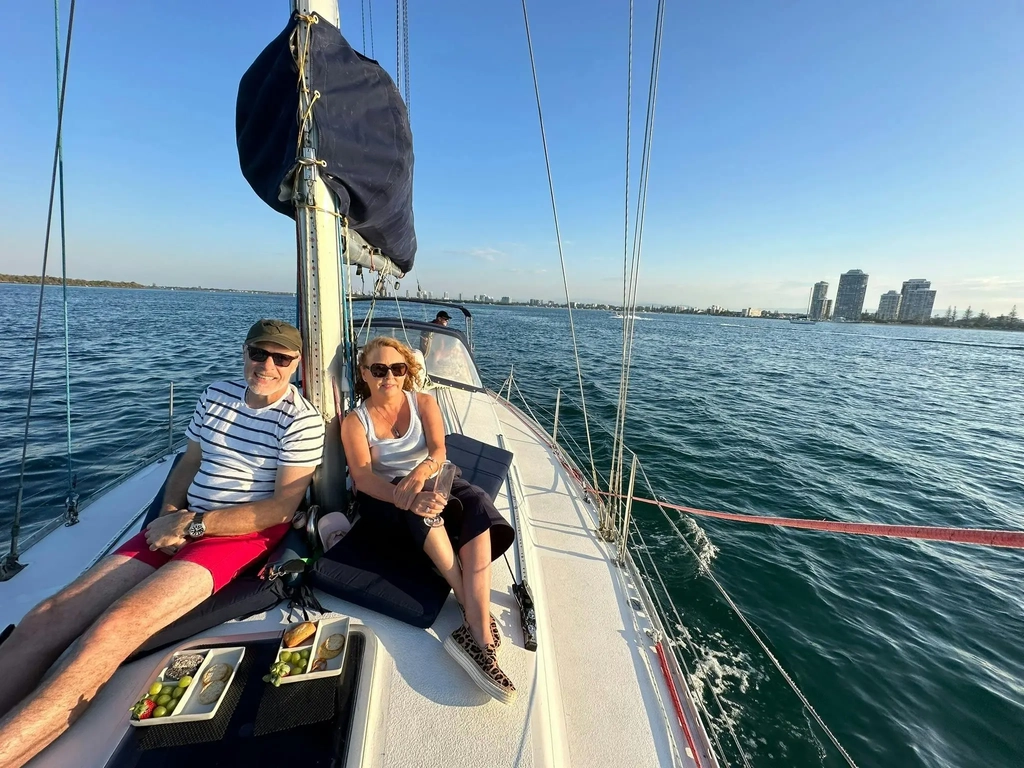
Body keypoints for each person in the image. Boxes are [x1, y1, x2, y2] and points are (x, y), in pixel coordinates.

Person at [0, 319, 325, 767]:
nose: (267, 365)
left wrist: (195, 526)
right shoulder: (216, 395)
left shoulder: (302, 421)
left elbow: (282, 508)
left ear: (297, 363)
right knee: (46, 616)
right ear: (245, 351)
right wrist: (171, 511)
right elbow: (189, 462)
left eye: (281, 358)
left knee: (111, 632)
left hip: (240, 534)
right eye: (258, 353)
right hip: (181, 520)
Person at [340, 336, 517, 703]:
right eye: (379, 369)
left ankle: (472, 620)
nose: (389, 376)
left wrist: (420, 475)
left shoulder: (422, 402)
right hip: (383, 494)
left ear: (408, 372)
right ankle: (475, 617)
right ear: (364, 374)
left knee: (478, 504)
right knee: (424, 513)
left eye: (397, 368)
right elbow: (363, 478)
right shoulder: (355, 423)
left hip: (431, 475)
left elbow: (439, 451)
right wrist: (404, 495)